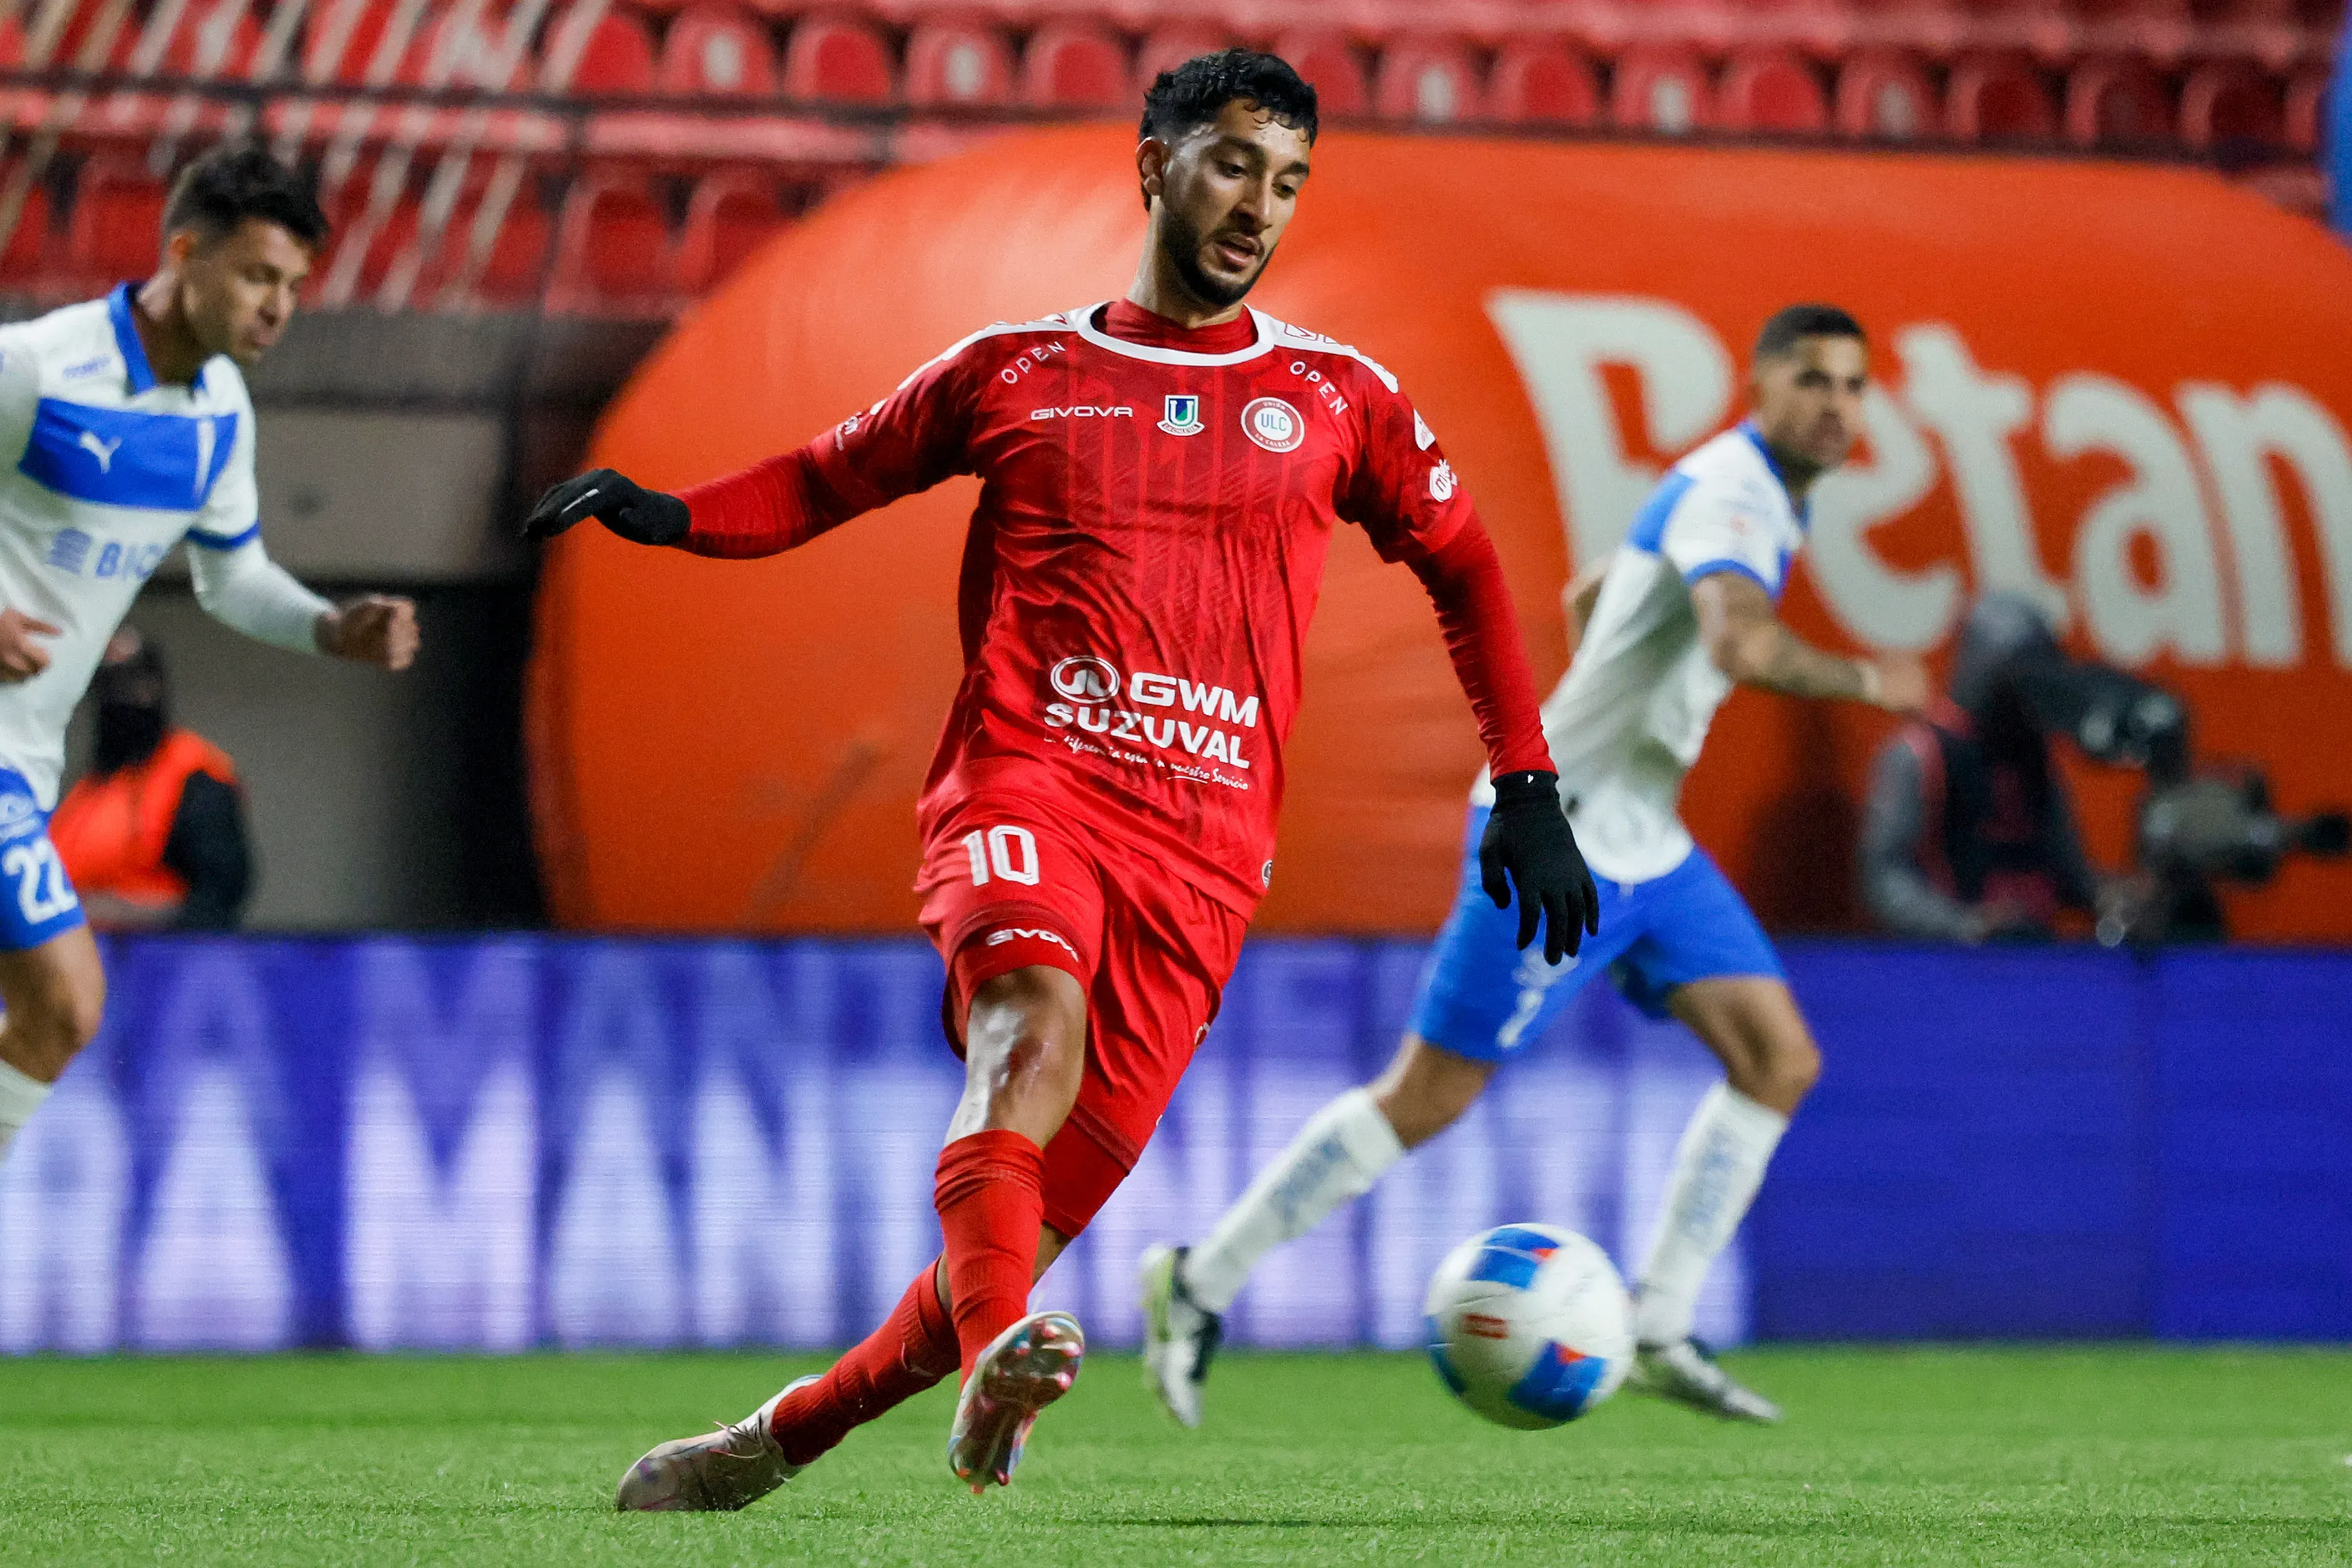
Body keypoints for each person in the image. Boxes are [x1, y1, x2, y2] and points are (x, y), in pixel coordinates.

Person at [525, 49, 1599, 1506]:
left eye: (1287, 181)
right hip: (1027, 788)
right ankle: (996, 1385)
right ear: (1153, 165)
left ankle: (777, 1438)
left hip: (1206, 861)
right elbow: (823, 478)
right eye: (1231, 164)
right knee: (1028, 1029)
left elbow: (1467, 568)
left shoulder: (1337, 396)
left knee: (1021, 1223)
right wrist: (669, 514)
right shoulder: (1014, 371)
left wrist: (1527, 787)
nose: (1257, 205)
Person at [1138, 304, 1929, 1430]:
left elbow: (1591, 596)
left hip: (1647, 844)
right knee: (1428, 1097)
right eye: (1811, 379)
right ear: (1756, 388)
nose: (1834, 404)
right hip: (1555, 839)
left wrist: (1614, 673)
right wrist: (1865, 682)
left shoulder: (1735, 490)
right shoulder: (1737, 494)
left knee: (1776, 1059)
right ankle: (1198, 1282)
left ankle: (1656, 1325)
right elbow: (1737, 642)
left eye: (1853, 386)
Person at [0, 145, 419, 1167]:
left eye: (291, 286)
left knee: (56, 1015)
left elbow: (231, 579)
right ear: (183, 252)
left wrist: (329, 626)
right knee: (66, 996)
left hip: (27, 760)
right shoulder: (36, 367)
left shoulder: (220, 412)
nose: (276, 305)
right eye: (255, 275)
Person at [1859, 593, 2113, 944]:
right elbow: (1885, 875)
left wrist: (2106, 899)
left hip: (2040, 953)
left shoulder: (2034, 755)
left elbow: (2065, 864)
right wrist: (1962, 924)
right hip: (1952, 963)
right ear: (1987, 669)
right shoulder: (1919, 754)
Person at [50, 628, 253, 930]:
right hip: (77, 953)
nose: (123, 698)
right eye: (108, 685)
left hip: (160, 963)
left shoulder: (195, 773)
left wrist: (126, 914)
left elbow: (220, 897)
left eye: (134, 683)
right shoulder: (91, 785)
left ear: (156, 687)